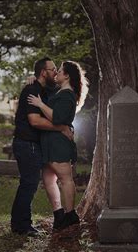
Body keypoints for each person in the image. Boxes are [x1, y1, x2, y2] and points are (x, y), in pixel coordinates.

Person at [10, 57, 73, 237]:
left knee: (28, 184)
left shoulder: (45, 90)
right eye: (52, 69)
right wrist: (61, 127)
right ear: (44, 72)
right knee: (28, 184)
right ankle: (22, 225)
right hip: (26, 144)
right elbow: (34, 121)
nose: (55, 72)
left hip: (32, 145)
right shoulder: (32, 90)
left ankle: (19, 223)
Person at [28, 61, 88, 230]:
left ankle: (70, 216)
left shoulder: (68, 95)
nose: (57, 73)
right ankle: (59, 215)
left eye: (60, 71)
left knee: (65, 178)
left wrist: (40, 105)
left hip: (58, 144)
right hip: (49, 141)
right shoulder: (60, 91)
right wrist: (34, 77)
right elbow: (45, 87)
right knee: (48, 179)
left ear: (67, 75)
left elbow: (58, 118)